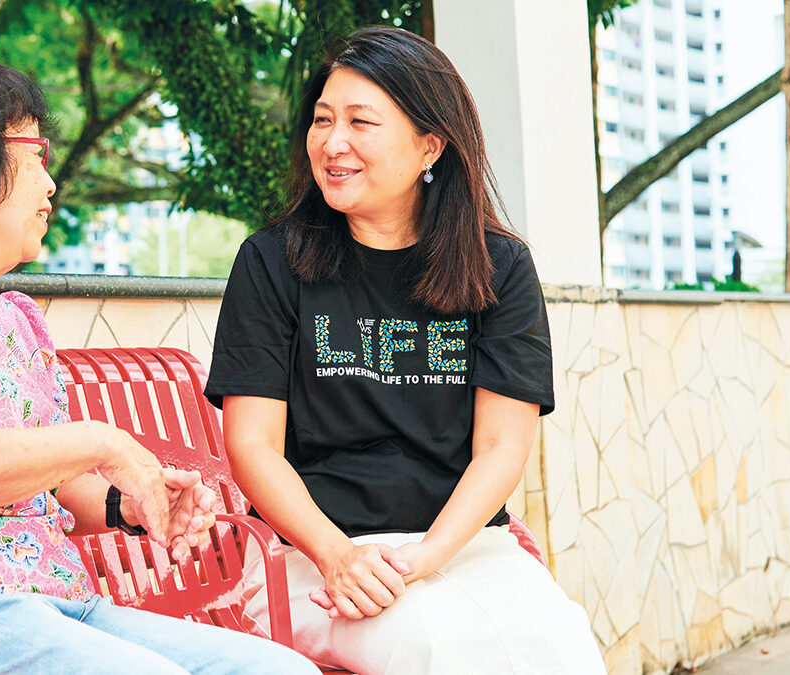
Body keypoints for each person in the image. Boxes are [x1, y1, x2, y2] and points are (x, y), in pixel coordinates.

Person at [0, 56, 318, 675]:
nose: (50, 184)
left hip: (41, 601)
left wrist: (131, 503)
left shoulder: (14, 317)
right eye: (35, 154)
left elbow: (48, 481)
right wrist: (100, 439)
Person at [204, 26, 606, 675]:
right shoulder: (271, 262)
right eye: (322, 119)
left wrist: (426, 557)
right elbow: (251, 445)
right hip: (314, 555)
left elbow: (502, 447)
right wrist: (339, 554)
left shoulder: (498, 268)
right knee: (434, 644)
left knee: (563, 646)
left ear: (430, 144)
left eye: (361, 122)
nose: (333, 142)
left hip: (466, 548)